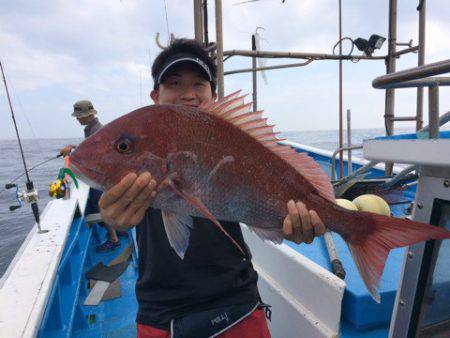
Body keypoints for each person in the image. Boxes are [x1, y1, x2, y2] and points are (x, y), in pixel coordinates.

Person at [98, 39, 326, 338]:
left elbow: (266, 203)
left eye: (199, 84)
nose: (189, 94)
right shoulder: (146, 137)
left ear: (213, 94)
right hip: (163, 311)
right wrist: (112, 218)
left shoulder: (231, 136)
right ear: (156, 95)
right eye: (175, 83)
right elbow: (114, 211)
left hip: (237, 299)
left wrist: (292, 226)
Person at [60, 100, 127, 252]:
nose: (77, 119)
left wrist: (72, 153)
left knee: (101, 208)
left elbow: (95, 155)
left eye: (79, 116)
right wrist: (73, 147)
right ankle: (118, 229)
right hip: (103, 175)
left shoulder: (96, 130)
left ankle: (113, 239)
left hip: (102, 177)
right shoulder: (92, 129)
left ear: (89, 115)